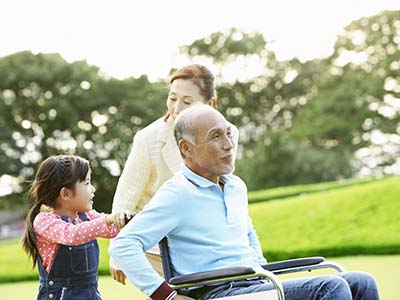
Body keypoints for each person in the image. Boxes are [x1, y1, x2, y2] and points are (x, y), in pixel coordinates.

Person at [109, 105, 380, 300]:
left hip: (253, 284)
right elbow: (124, 245)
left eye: (228, 133)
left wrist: (262, 271)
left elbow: (248, 234)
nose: (229, 144)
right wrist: (167, 297)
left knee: (361, 282)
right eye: (216, 136)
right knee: (330, 288)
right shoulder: (177, 193)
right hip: (216, 292)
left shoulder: (236, 186)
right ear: (186, 148)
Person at [109, 64, 238, 284]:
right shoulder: (147, 138)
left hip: (204, 238)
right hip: (157, 240)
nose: (176, 108)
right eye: (172, 98)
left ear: (210, 103)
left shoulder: (229, 132)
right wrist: (117, 255)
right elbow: (124, 200)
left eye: (187, 102)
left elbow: (225, 188)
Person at [21, 155, 132, 300]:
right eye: (87, 183)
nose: (93, 189)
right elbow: (71, 235)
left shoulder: (87, 216)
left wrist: (126, 221)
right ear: (66, 193)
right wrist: (108, 219)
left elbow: (112, 230)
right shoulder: (44, 221)